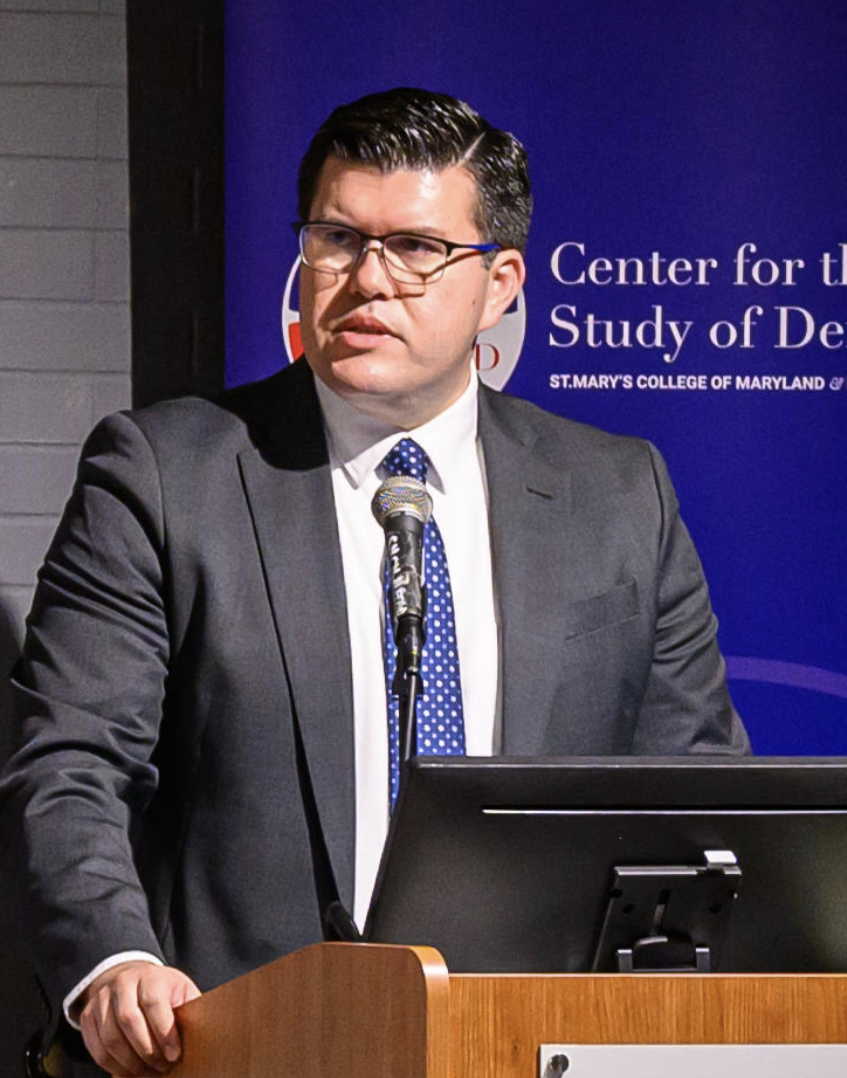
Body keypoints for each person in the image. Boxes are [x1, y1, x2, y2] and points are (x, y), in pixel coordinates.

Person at [0, 88, 748, 1077]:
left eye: (417, 248)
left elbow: (694, 794)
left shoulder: (619, 495)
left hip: (531, 1050)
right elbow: (71, 762)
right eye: (337, 238)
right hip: (230, 1047)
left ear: (501, 282)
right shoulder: (166, 473)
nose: (368, 280)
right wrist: (115, 960)